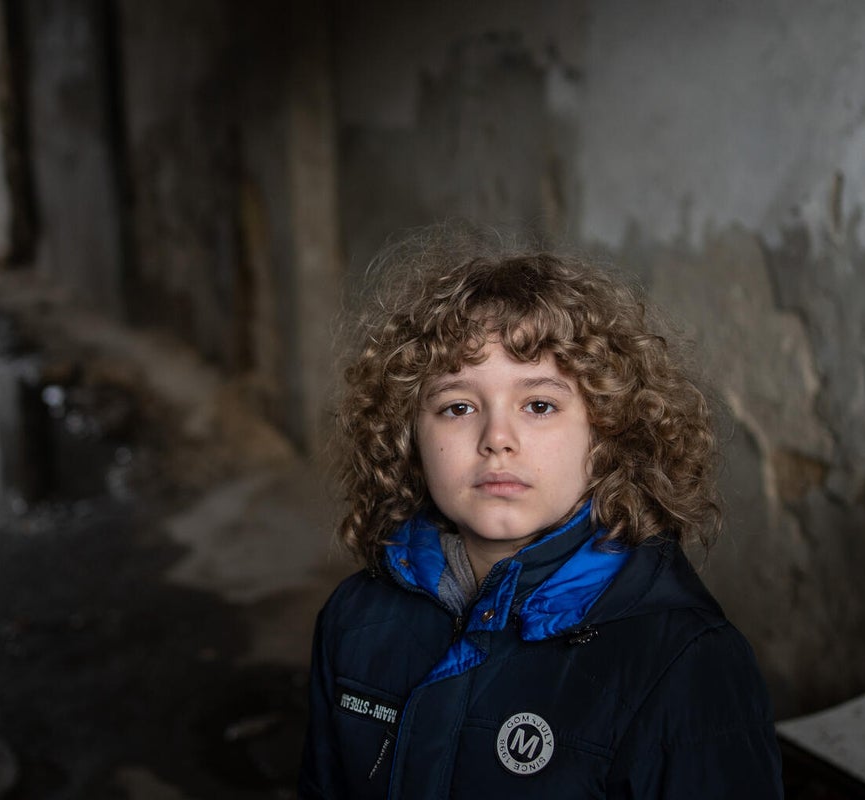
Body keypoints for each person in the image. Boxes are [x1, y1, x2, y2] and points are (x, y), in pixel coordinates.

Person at [298, 229, 784, 798]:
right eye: (457, 406)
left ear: (608, 431)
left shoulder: (688, 664)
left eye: (539, 405)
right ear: (408, 435)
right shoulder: (354, 619)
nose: (497, 438)